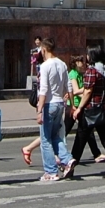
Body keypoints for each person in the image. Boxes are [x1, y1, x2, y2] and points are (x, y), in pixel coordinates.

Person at [71, 46, 105, 179]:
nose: (86, 57)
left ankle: (70, 167)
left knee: (80, 138)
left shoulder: (92, 70)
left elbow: (88, 91)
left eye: (88, 54)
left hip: (91, 109)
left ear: (92, 55)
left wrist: (79, 108)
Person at [35, 38, 76, 181]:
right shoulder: (62, 63)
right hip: (60, 104)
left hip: (49, 105)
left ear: (44, 50)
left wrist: (39, 110)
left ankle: (51, 171)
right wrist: (72, 105)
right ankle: (68, 159)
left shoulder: (45, 66)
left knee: (45, 139)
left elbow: (43, 90)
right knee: (55, 136)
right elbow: (68, 86)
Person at [67, 55, 102, 163]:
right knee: (65, 130)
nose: (83, 63)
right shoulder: (73, 74)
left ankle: (97, 154)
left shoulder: (80, 74)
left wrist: (87, 92)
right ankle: (58, 153)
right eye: (81, 61)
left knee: (87, 129)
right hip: (73, 106)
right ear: (75, 63)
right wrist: (88, 90)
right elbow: (76, 90)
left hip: (79, 105)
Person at [22, 36, 44, 166]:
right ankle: (61, 160)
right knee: (50, 134)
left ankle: (61, 159)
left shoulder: (46, 66)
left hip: (52, 105)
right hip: (46, 104)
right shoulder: (43, 69)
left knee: (53, 134)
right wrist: (39, 110)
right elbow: (43, 90)